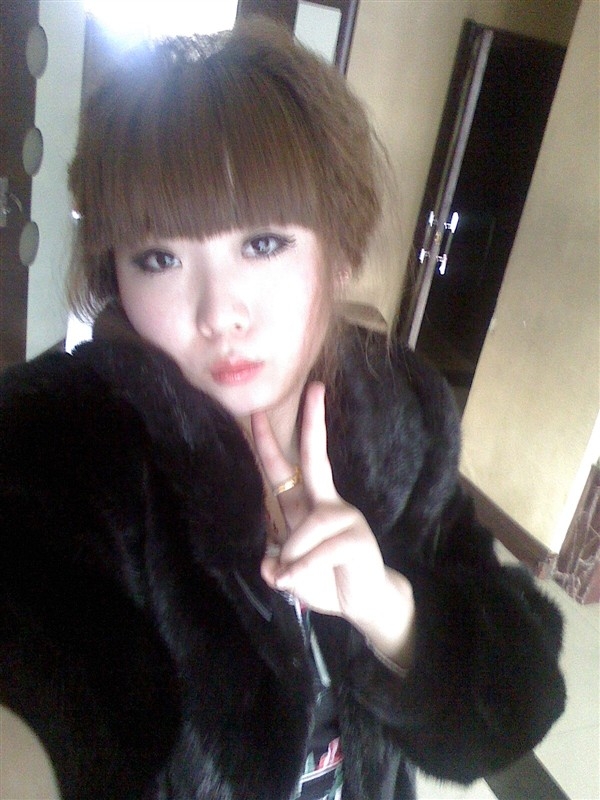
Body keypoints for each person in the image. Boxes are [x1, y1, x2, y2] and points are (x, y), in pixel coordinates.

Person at [0, 19, 565, 800]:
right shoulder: (70, 440)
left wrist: (390, 608)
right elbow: (44, 657)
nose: (219, 313)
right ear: (114, 277)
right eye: (159, 258)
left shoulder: (401, 415)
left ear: (338, 251)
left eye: (262, 243)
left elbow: (519, 694)